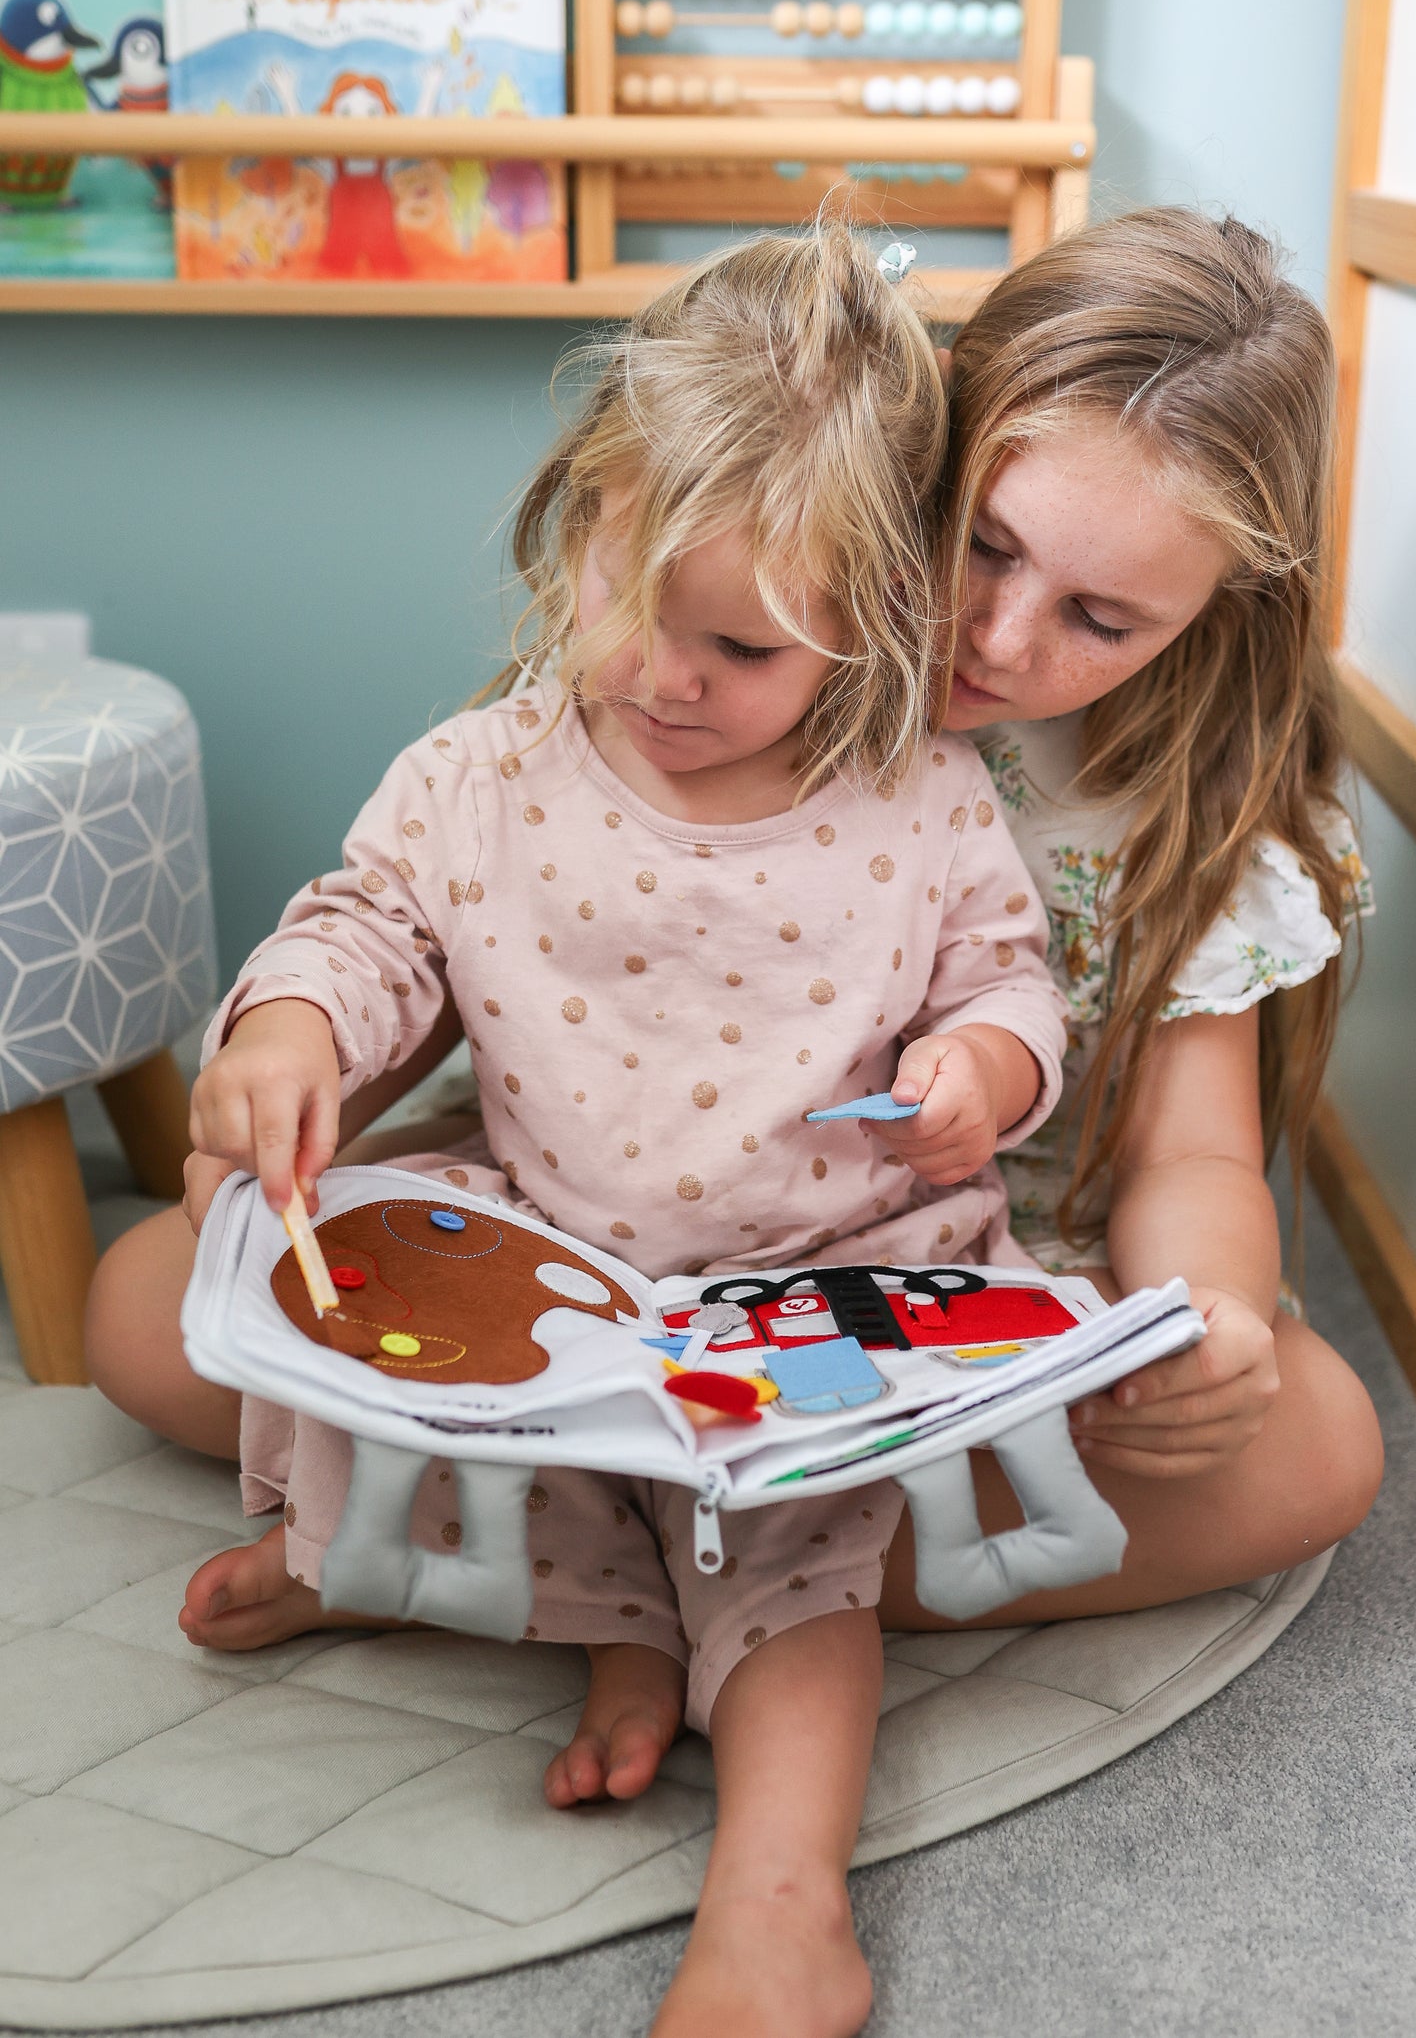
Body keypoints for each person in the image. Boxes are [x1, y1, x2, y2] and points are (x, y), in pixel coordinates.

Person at [87, 220, 1068, 2038]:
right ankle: (446, 1591)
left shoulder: (921, 797)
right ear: (588, 503)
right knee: (315, 1341)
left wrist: (981, 1077)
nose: (671, 675)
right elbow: (371, 922)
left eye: (747, 650)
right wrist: (295, 1022)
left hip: (806, 1287)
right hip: (550, 1261)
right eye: (639, 597)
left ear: (869, 632)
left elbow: (1009, 982)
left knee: (796, 1564)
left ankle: (780, 1901)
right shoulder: (485, 771)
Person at [876, 207, 1383, 1636]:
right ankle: (714, 1555)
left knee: (1323, 1436)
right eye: (978, 541)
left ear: (1215, 613)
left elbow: (1194, 1148)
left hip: (975, 1278)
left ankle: (629, 1558)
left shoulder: (1188, 808)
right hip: (673, 1216)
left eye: (1103, 618)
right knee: (191, 1297)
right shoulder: (770, 633)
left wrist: (1208, 1319)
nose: (1001, 639)